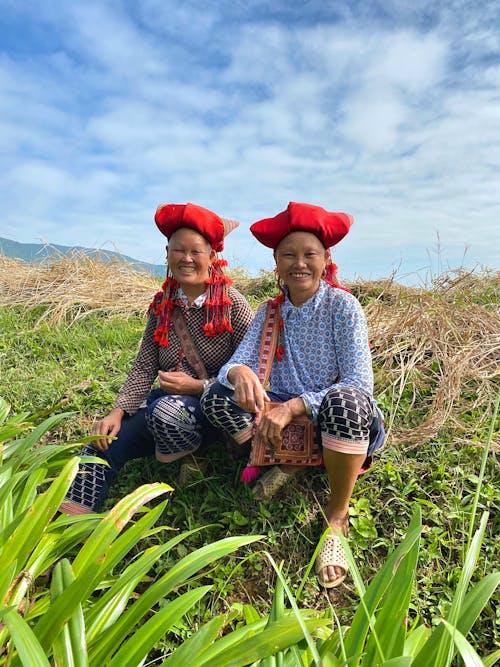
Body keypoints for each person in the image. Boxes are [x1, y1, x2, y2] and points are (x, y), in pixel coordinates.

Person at [201, 201, 384, 588]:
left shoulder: (343, 306)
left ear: (326, 258)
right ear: (276, 262)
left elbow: (358, 384)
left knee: (346, 403)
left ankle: (336, 518)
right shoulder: (270, 311)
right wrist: (240, 371)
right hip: (279, 415)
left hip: (329, 415)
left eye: (309, 255)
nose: (299, 263)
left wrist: (296, 406)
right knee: (216, 396)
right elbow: (231, 366)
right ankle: (287, 459)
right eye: (289, 255)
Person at [60, 202, 253, 515]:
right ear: (167, 254)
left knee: (166, 411)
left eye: (196, 251)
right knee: (103, 443)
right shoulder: (163, 305)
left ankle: (197, 456)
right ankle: (68, 523)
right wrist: (118, 411)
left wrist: (199, 386)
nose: (186, 258)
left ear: (212, 257)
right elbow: (145, 364)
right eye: (178, 250)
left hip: (216, 408)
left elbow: (254, 370)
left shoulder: (234, 305)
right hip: (167, 402)